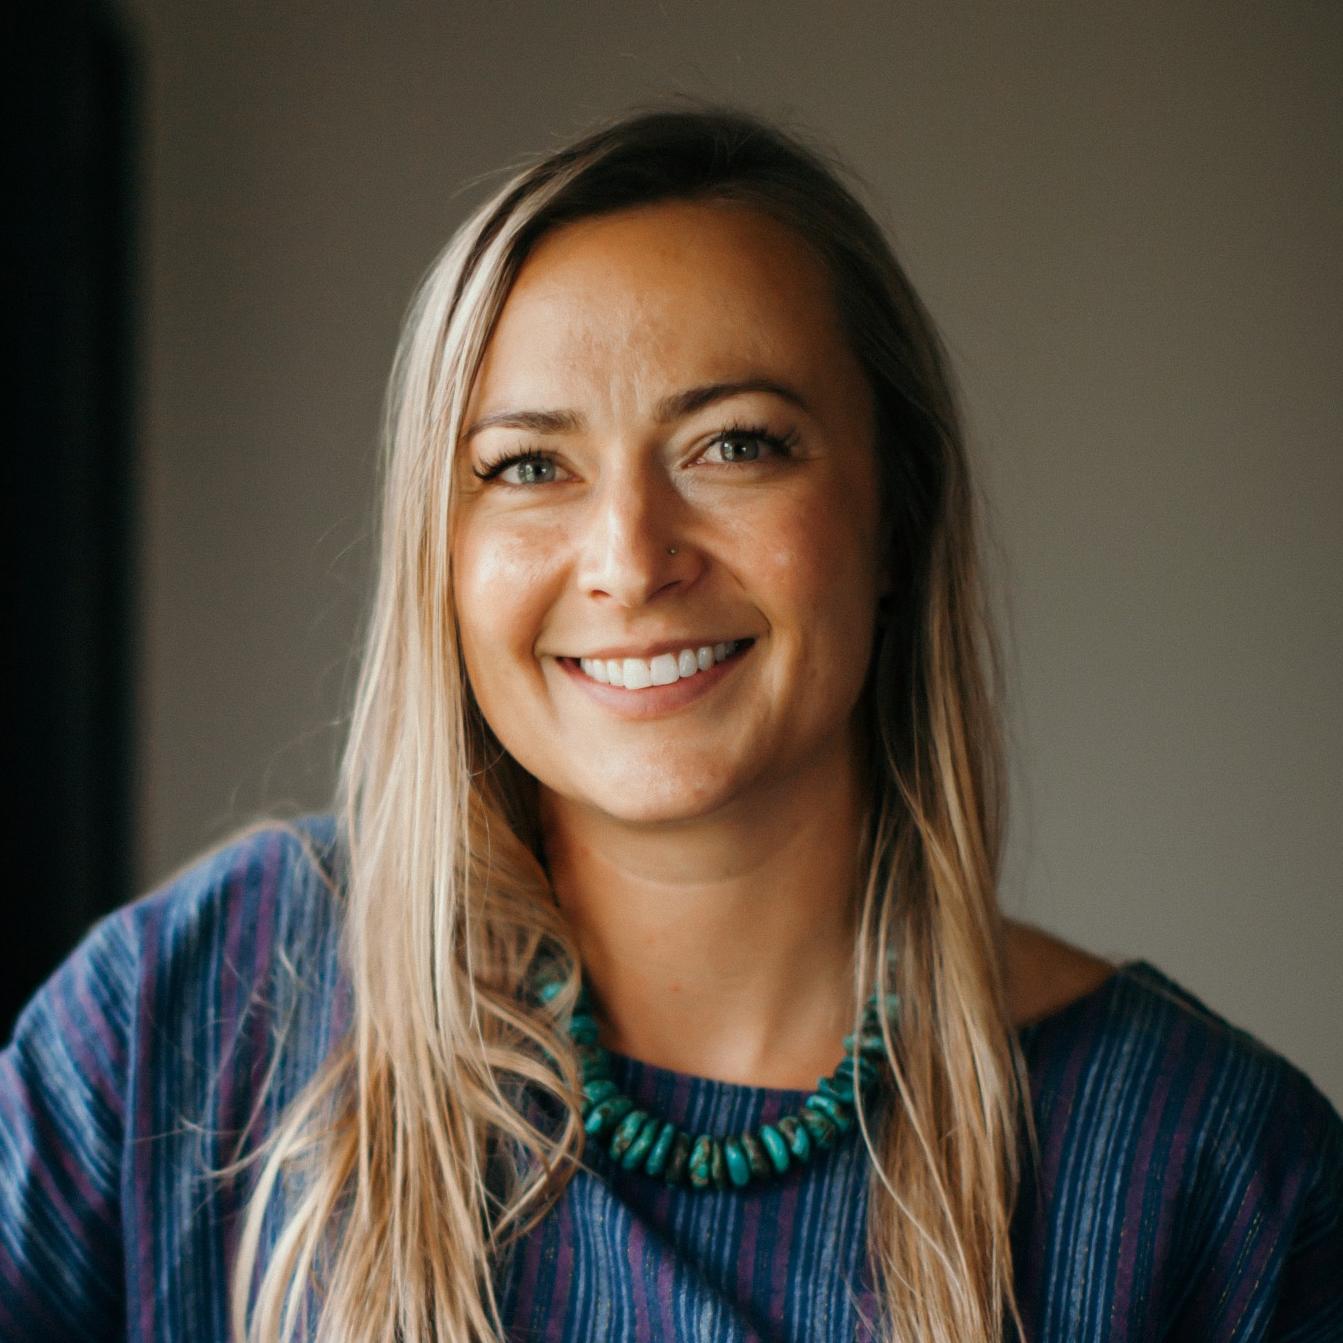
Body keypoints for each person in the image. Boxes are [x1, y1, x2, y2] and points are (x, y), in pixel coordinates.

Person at [2, 107, 1339, 1343]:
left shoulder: (1210, 1170)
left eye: (736, 445)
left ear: (896, 516)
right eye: (530, 466)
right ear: (440, 555)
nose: (631, 559)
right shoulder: (198, 1008)